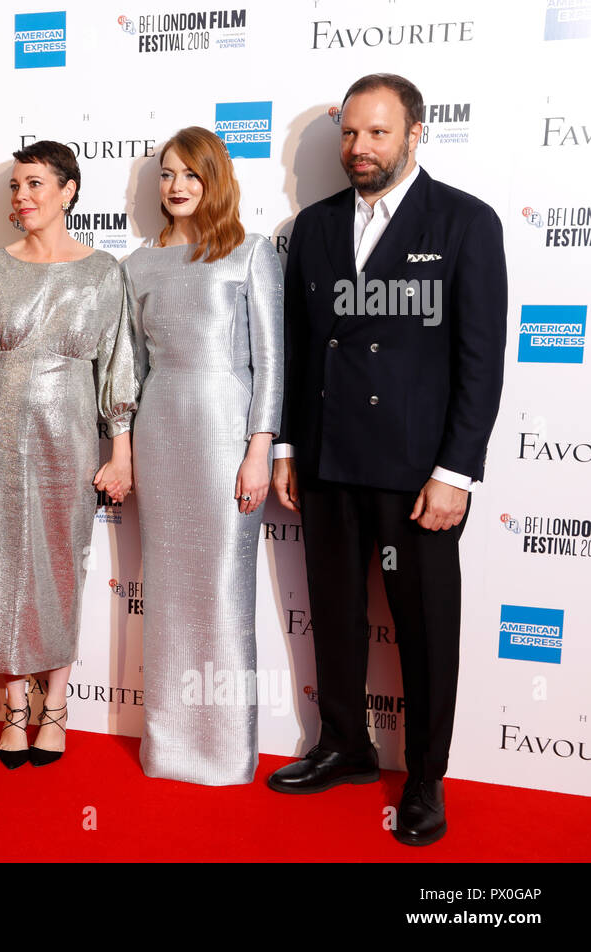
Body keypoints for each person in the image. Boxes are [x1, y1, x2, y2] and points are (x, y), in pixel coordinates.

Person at [267, 74, 506, 846]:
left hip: (416, 474)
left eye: (377, 133)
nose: (359, 149)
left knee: (425, 628)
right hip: (330, 461)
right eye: (349, 134)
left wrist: (456, 472)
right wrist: (291, 445)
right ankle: (345, 746)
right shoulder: (314, 225)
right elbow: (303, 350)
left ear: (415, 133)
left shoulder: (467, 222)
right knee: (333, 612)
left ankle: (428, 778)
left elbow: (480, 359)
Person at [0, 140, 136, 769]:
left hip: (68, 442)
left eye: (35, 185)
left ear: (69, 190)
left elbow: (119, 371)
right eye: (14, 188)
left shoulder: (104, 271)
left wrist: (121, 452)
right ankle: (13, 710)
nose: (21, 198)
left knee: (57, 570)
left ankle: (57, 709)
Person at [124, 127, 283, 786]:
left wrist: (259, 449)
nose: (176, 185)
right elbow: (130, 371)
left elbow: (272, 362)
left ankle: (222, 750)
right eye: (166, 174)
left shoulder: (250, 254)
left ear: (214, 179)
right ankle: (168, 746)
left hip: (226, 439)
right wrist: (124, 449)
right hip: (160, 436)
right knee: (165, 593)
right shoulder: (135, 265)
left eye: (190, 173)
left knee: (222, 592)